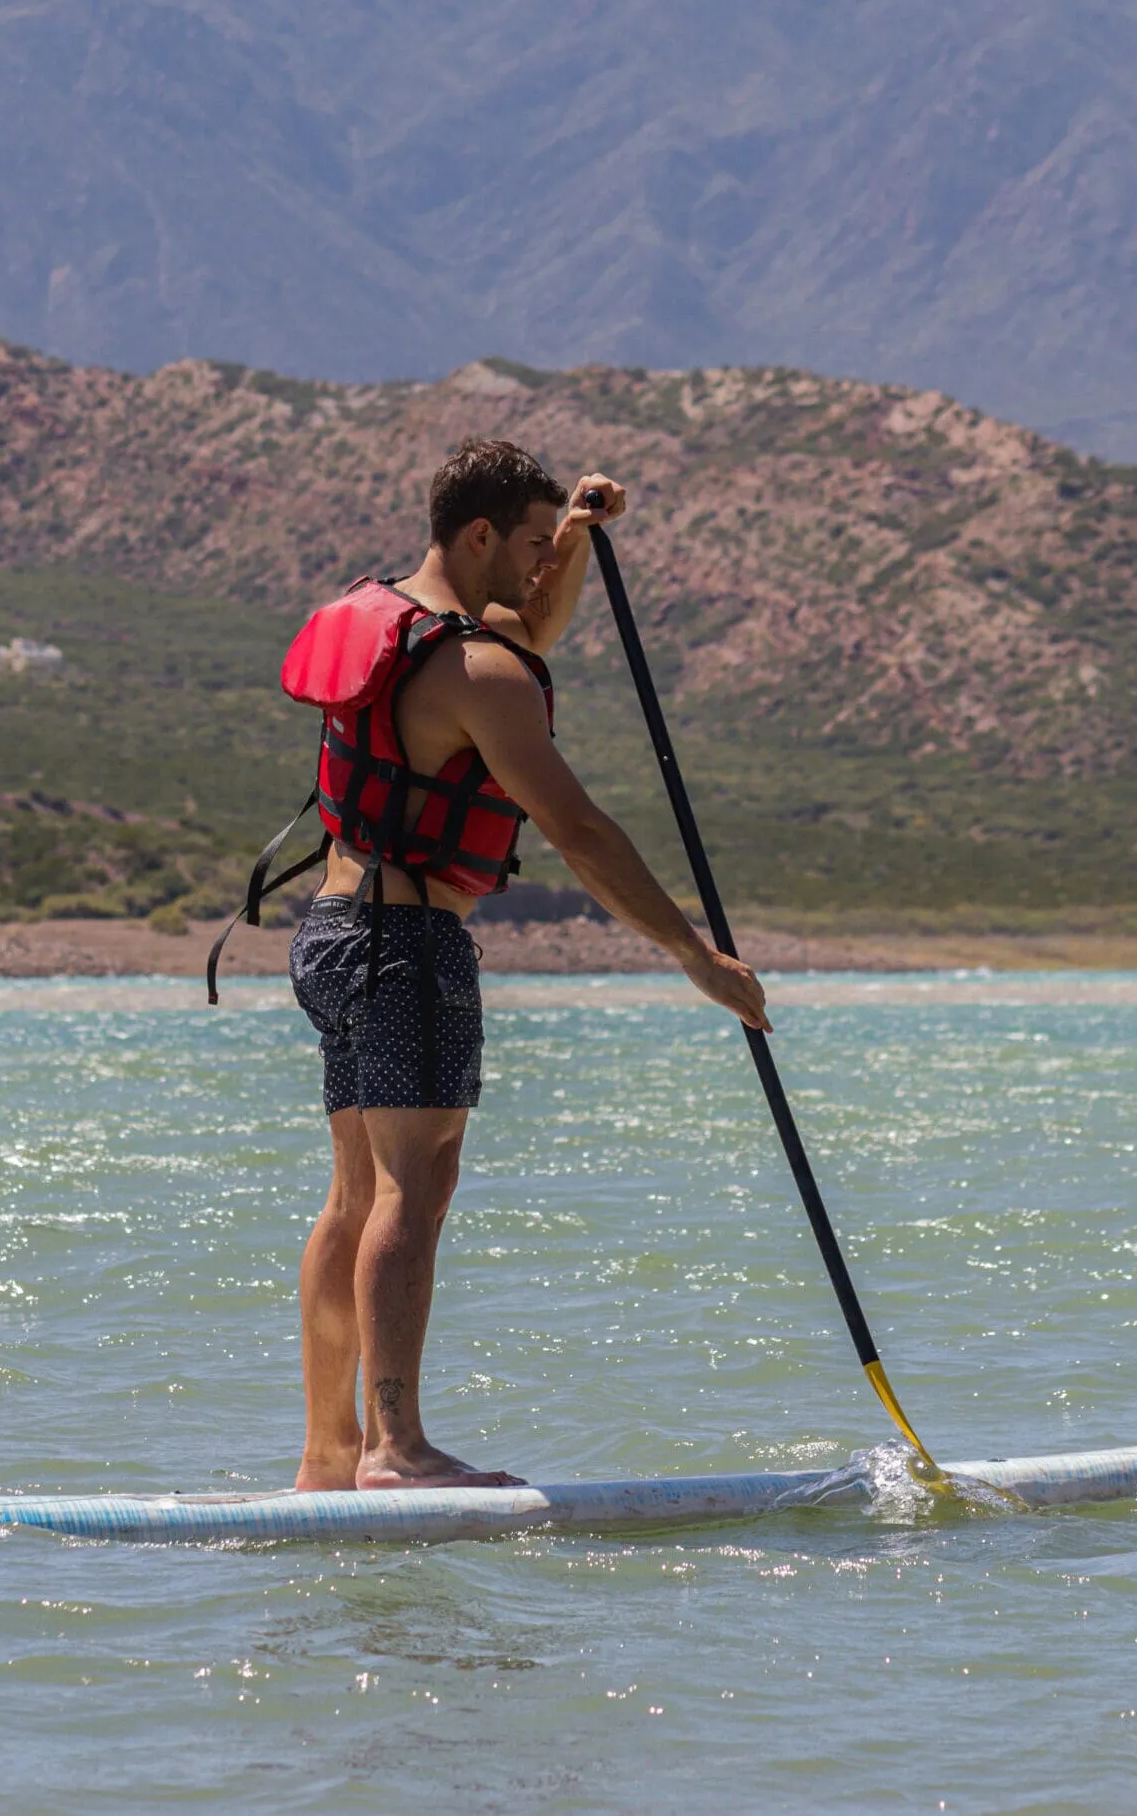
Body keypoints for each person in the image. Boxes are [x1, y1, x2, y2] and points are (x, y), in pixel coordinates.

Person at [283, 438, 771, 1492]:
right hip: (406, 944)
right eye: (533, 544)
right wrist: (691, 954)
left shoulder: (396, 629)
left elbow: (536, 620)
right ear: (479, 536)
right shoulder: (478, 671)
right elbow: (579, 829)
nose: (542, 566)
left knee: (355, 1194)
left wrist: (583, 537)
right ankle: (397, 1449)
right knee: (417, 1185)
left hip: (329, 932)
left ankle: (329, 1452)